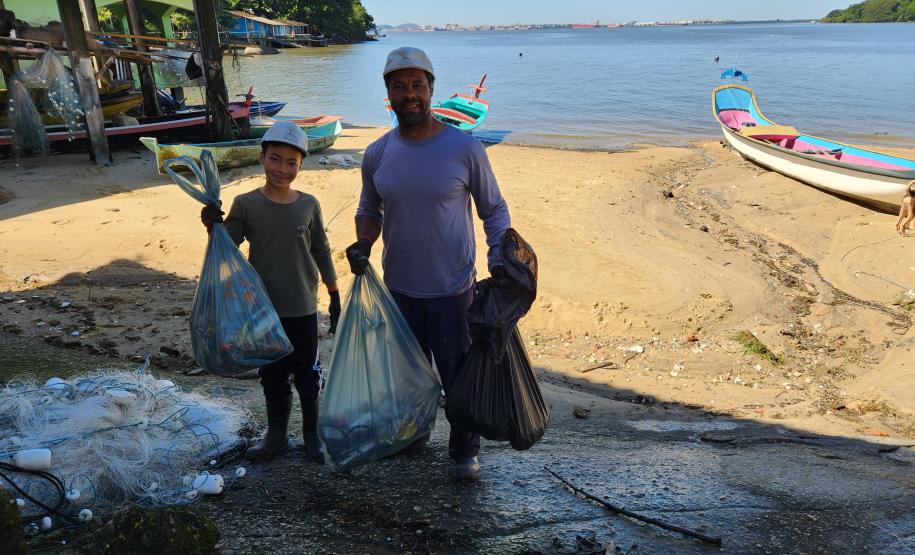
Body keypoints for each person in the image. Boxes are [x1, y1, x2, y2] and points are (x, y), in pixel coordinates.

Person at [346, 47, 512, 480]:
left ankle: (463, 451)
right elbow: (369, 206)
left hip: (454, 289)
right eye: (399, 86)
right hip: (399, 289)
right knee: (408, 376)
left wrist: (499, 255)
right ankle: (415, 435)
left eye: (417, 85)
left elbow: (493, 209)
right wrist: (364, 241)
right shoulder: (377, 153)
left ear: (431, 90)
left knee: (459, 376)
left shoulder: (466, 148)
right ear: (388, 94)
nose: (409, 94)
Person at [201, 122, 340, 464]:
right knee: (272, 374)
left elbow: (321, 249)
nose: (282, 168)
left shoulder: (309, 204)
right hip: (260, 309)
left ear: (301, 166)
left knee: (308, 375)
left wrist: (334, 292)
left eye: (291, 162)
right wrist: (211, 225)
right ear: (262, 158)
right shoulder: (246, 204)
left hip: (303, 306)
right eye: (275, 159)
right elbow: (225, 247)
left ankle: (312, 436)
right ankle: (275, 436)